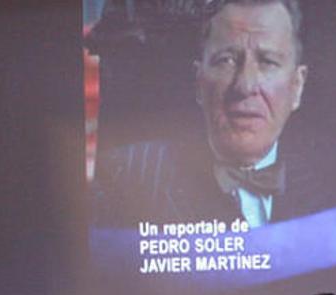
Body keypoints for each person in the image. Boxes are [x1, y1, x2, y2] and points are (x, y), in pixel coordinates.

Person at [91, 0, 319, 228]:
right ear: (199, 82)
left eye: (268, 62)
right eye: (226, 60)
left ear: (297, 86)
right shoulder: (122, 177)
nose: (245, 86)